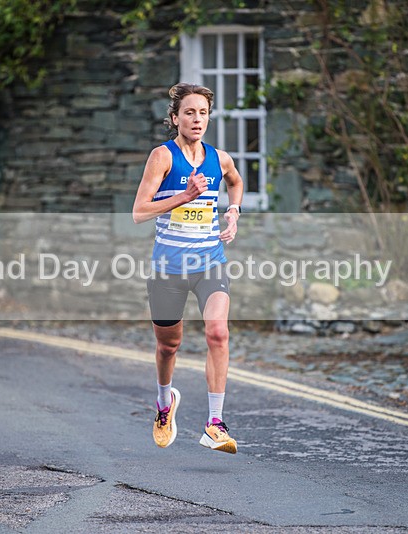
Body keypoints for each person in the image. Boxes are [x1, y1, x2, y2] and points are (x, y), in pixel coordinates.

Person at [132, 83, 244, 454]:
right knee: (169, 346)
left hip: (209, 261)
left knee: (218, 334)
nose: (197, 119)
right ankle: (165, 403)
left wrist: (233, 210)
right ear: (176, 118)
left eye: (203, 113)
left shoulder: (219, 158)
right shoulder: (162, 157)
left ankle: (215, 423)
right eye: (190, 113)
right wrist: (183, 196)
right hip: (168, 268)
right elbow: (138, 212)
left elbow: (236, 182)